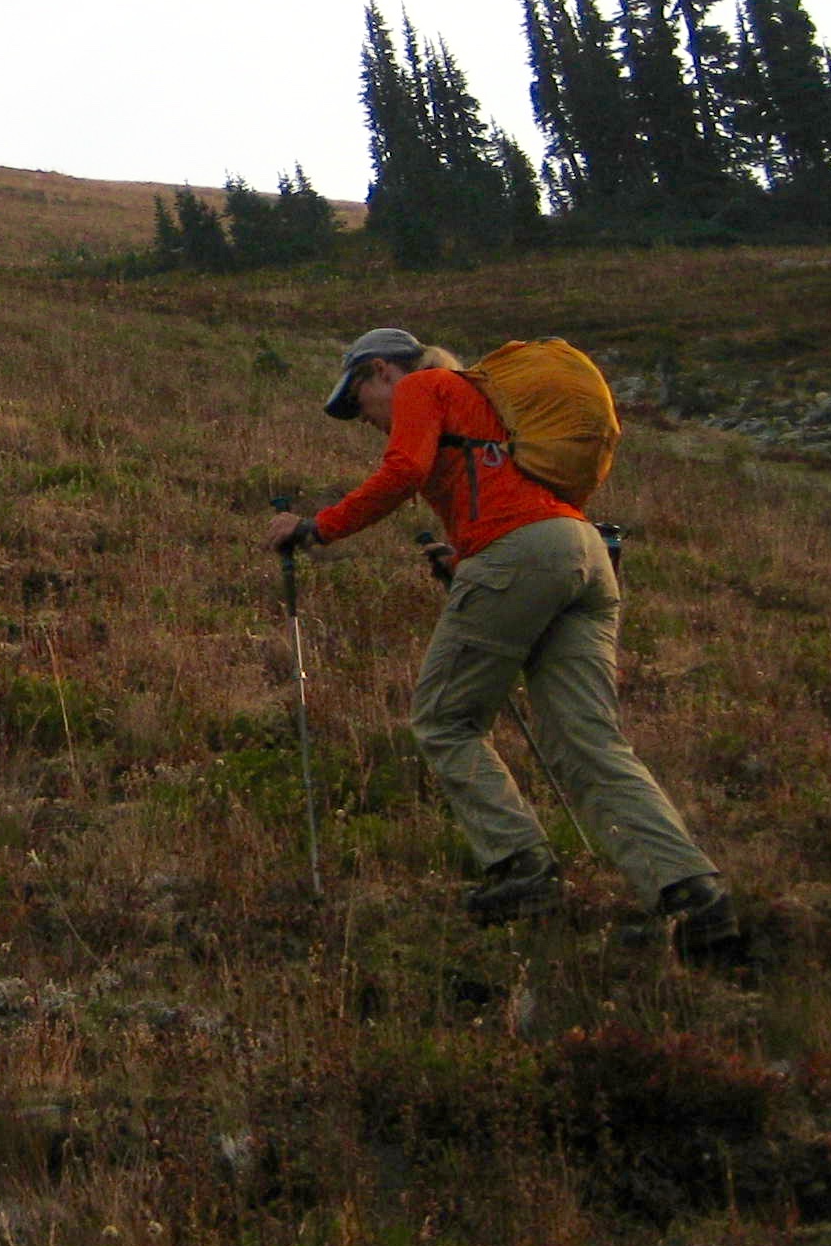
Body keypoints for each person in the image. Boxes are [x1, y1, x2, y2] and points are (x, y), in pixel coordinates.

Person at [261, 327, 743, 957]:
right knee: (589, 740)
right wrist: (464, 556)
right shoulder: (481, 401)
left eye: (358, 402)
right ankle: (693, 897)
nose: (366, 420)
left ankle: (522, 869)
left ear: (381, 371)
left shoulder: (425, 386)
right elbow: (500, 489)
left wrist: (317, 528)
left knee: (445, 719)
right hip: (582, 552)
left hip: (521, 554)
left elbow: (405, 469)